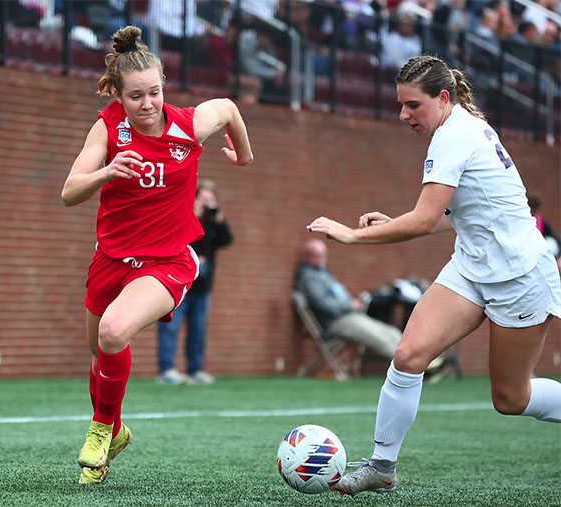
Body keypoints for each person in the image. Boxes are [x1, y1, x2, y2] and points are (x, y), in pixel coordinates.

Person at [307, 55, 561, 497]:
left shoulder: (455, 135)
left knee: (510, 399)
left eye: (412, 106)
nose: (403, 115)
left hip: (520, 276)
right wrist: (392, 221)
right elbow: (454, 211)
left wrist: (351, 235)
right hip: (471, 267)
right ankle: (382, 469)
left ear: (443, 98)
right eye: (401, 105)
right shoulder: (454, 127)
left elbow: (424, 222)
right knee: (407, 356)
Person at [60, 25, 253, 485]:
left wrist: (243, 154)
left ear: (164, 87)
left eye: (155, 93)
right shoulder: (108, 128)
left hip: (167, 261)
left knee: (112, 330)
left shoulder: (188, 125)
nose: (147, 105)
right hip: (110, 258)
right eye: (135, 96)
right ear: (118, 95)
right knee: (99, 350)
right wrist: (107, 171)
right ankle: (118, 431)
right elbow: (69, 192)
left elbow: (226, 107)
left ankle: (100, 430)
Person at [156, 179, 233, 385]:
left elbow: (227, 241)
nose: (207, 203)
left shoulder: (213, 223)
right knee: (170, 326)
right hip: (179, 284)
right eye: (203, 198)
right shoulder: (184, 216)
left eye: (211, 199)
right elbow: (174, 238)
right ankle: (167, 369)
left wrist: (220, 220)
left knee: (198, 328)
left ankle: (195, 369)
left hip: (202, 287)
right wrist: (193, 214)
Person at [295, 238, 402, 360]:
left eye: (325, 255)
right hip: (335, 322)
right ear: (308, 257)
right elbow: (321, 304)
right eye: (319, 256)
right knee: (378, 337)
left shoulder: (322, 273)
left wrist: (351, 302)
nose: (323, 259)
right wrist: (349, 305)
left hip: (349, 316)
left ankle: (418, 359)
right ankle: (407, 364)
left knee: (391, 332)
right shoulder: (309, 277)